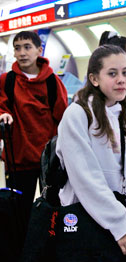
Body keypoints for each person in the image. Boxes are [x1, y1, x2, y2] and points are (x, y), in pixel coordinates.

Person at [56, 44, 126, 262]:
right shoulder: (77, 115)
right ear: (94, 79)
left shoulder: (124, 117)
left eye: (125, 72)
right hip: (85, 228)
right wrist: (119, 224)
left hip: (117, 227)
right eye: (112, 73)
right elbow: (86, 179)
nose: (121, 79)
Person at [0, 31, 68, 234]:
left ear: (39, 50)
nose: (22, 53)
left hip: (48, 159)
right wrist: (4, 114)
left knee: (53, 207)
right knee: (18, 210)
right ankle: (20, 250)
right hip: (18, 158)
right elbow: (1, 105)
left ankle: (48, 246)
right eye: (17, 48)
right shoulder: (7, 81)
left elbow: (64, 117)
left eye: (27, 47)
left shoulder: (52, 82)